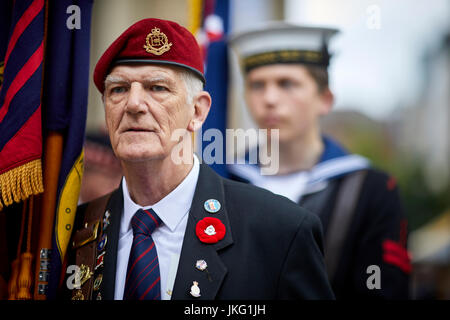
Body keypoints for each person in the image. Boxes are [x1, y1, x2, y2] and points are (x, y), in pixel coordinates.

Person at [63, 18, 334, 300]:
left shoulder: (279, 231)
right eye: (118, 89)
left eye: (157, 88)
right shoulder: (73, 232)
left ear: (198, 112)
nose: (133, 104)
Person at [228, 22, 411, 299]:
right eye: (256, 85)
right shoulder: (223, 179)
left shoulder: (371, 190)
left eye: (287, 83)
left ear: (325, 99)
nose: (269, 98)